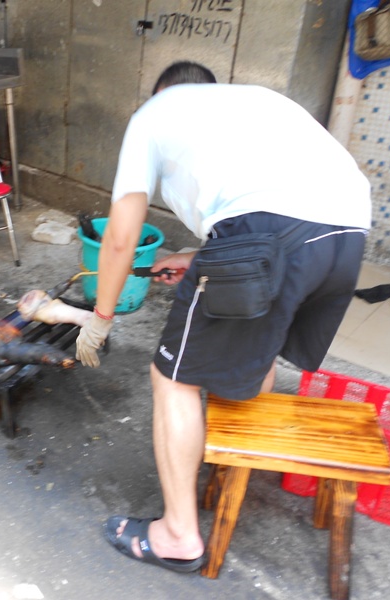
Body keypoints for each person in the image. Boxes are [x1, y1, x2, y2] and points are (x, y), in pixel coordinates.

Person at [74, 61, 372, 573]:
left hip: (271, 233)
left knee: (172, 378)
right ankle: (231, 461)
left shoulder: (153, 114)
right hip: (347, 235)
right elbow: (280, 208)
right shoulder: (256, 101)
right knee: (259, 344)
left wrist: (100, 317)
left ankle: (178, 535)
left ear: (163, 92)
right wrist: (195, 259)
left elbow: (120, 238)